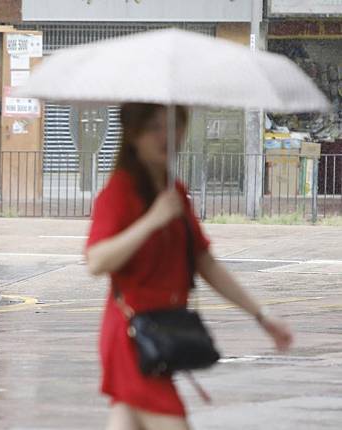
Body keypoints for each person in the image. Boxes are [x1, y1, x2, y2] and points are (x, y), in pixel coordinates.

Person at [85, 103, 293, 430]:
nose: (169, 136)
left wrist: (261, 315)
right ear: (134, 134)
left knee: (125, 418)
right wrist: (152, 220)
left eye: (175, 126)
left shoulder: (174, 191)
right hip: (132, 335)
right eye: (155, 127)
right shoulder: (120, 191)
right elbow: (96, 261)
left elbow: (205, 262)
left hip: (160, 330)